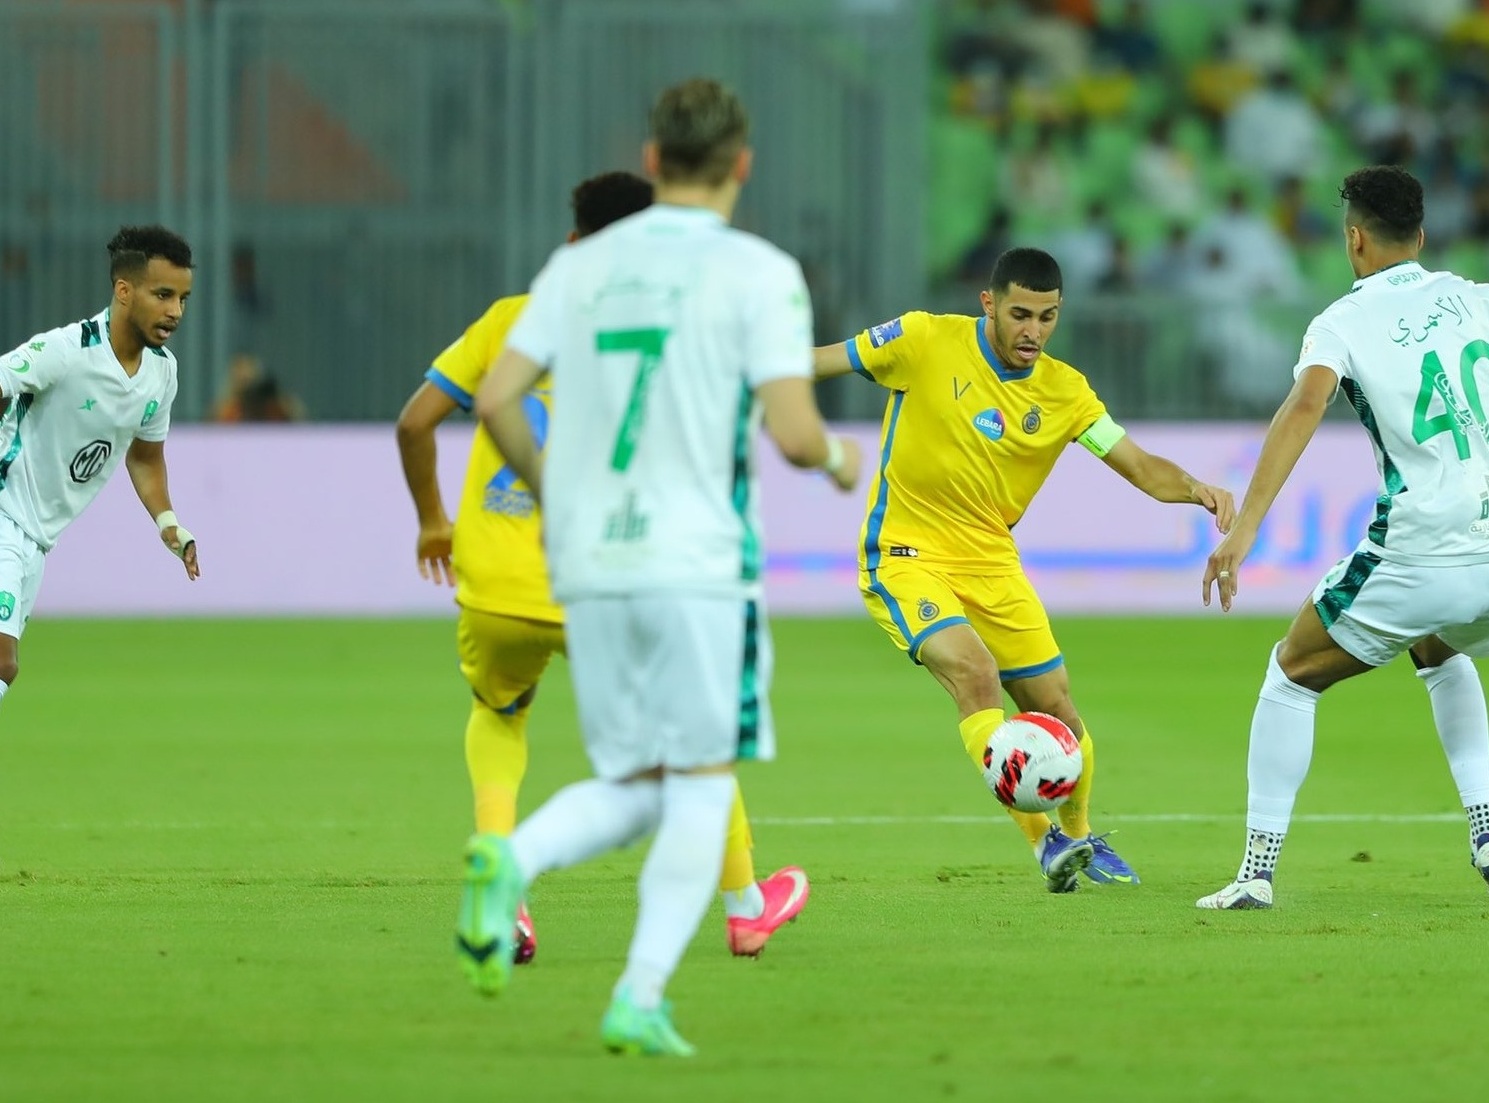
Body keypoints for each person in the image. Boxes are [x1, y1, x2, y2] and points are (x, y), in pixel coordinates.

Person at [465, 78, 862, 1056]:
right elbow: (795, 429)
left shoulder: (579, 269)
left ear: (651, 160)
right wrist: (843, 462)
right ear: (741, 163)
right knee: (696, 777)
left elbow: (498, 398)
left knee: (644, 779)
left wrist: (557, 487)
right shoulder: (758, 270)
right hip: (697, 563)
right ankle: (631, 984)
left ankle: (511, 864)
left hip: (591, 560)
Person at [396, 170, 813, 968]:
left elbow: (415, 423)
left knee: (498, 714)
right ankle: (744, 906)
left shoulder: (510, 322)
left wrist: (431, 520)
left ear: (572, 242)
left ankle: (503, 884)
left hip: (494, 588)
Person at [813, 247, 1235, 891]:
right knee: (975, 674)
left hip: (992, 564)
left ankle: (1079, 835)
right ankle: (1044, 846)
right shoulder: (925, 339)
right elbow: (821, 362)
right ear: (988, 304)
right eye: (1019, 315)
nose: (1033, 331)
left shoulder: (1066, 392)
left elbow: (1141, 467)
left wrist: (1200, 489)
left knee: (1060, 711)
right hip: (907, 556)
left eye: (1047, 316)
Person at [1198, 165, 1489, 910]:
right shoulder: (1475, 298)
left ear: (1353, 239)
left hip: (1420, 546)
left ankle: (1255, 871)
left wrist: (1246, 527)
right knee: (1438, 645)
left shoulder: (1340, 322)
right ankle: (1485, 829)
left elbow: (1305, 403)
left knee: (1290, 671)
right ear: (1420, 236)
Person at [0, 225, 200, 709]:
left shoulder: (162, 372)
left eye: (183, 298)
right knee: (2, 661)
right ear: (124, 291)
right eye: (163, 294)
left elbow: (146, 455)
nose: (175, 311)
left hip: (37, 540)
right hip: (5, 514)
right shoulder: (67, 351)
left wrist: (169, 524)